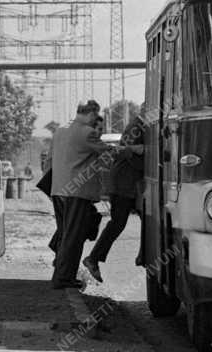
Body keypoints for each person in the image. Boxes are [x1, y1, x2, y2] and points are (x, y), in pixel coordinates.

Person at [49, 100, 113, 290]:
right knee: (73, 237)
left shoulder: (61, 130)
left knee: (64, 234)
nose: (95, 119)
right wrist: (130, 150)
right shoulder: (87, 132)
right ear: (91, 113)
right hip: (76, 192)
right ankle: (64, 279)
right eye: (95, 115)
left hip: (58, 190)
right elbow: (107, 150)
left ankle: (59, 273)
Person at [83, 106, 146, 283]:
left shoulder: (139, 126)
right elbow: (126, 154)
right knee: (118, 222)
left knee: (143, 220)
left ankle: (143, 255)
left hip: (128, 185)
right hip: (123, 184)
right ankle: (93, 259)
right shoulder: (136, 127)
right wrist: (148, 157)